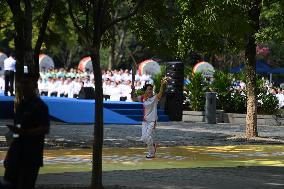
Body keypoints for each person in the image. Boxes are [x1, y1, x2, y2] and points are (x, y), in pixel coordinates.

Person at [2, 73, 50, 189]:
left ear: (34, 85)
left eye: (27, 83)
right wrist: (9, 154)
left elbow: (45, 128)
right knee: (8, 184)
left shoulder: (39, 106)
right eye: (21, 83)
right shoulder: (20, 105)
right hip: (16, 154)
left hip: (30, 156)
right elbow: (17, 130)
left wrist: (26, 132)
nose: (23, 86)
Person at [131, 77, 169, 158]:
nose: (150, 91)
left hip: (152, 121)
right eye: (148, 89)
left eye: (151, 89)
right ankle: (153, 145)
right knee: (144, 139)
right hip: (145, 121)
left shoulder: (155, 98)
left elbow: (160, 93)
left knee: (148, 136)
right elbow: (133, 99)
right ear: (145, 90)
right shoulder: (142, 98)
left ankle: (151, 153)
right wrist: (133, 90)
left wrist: (162, 85)